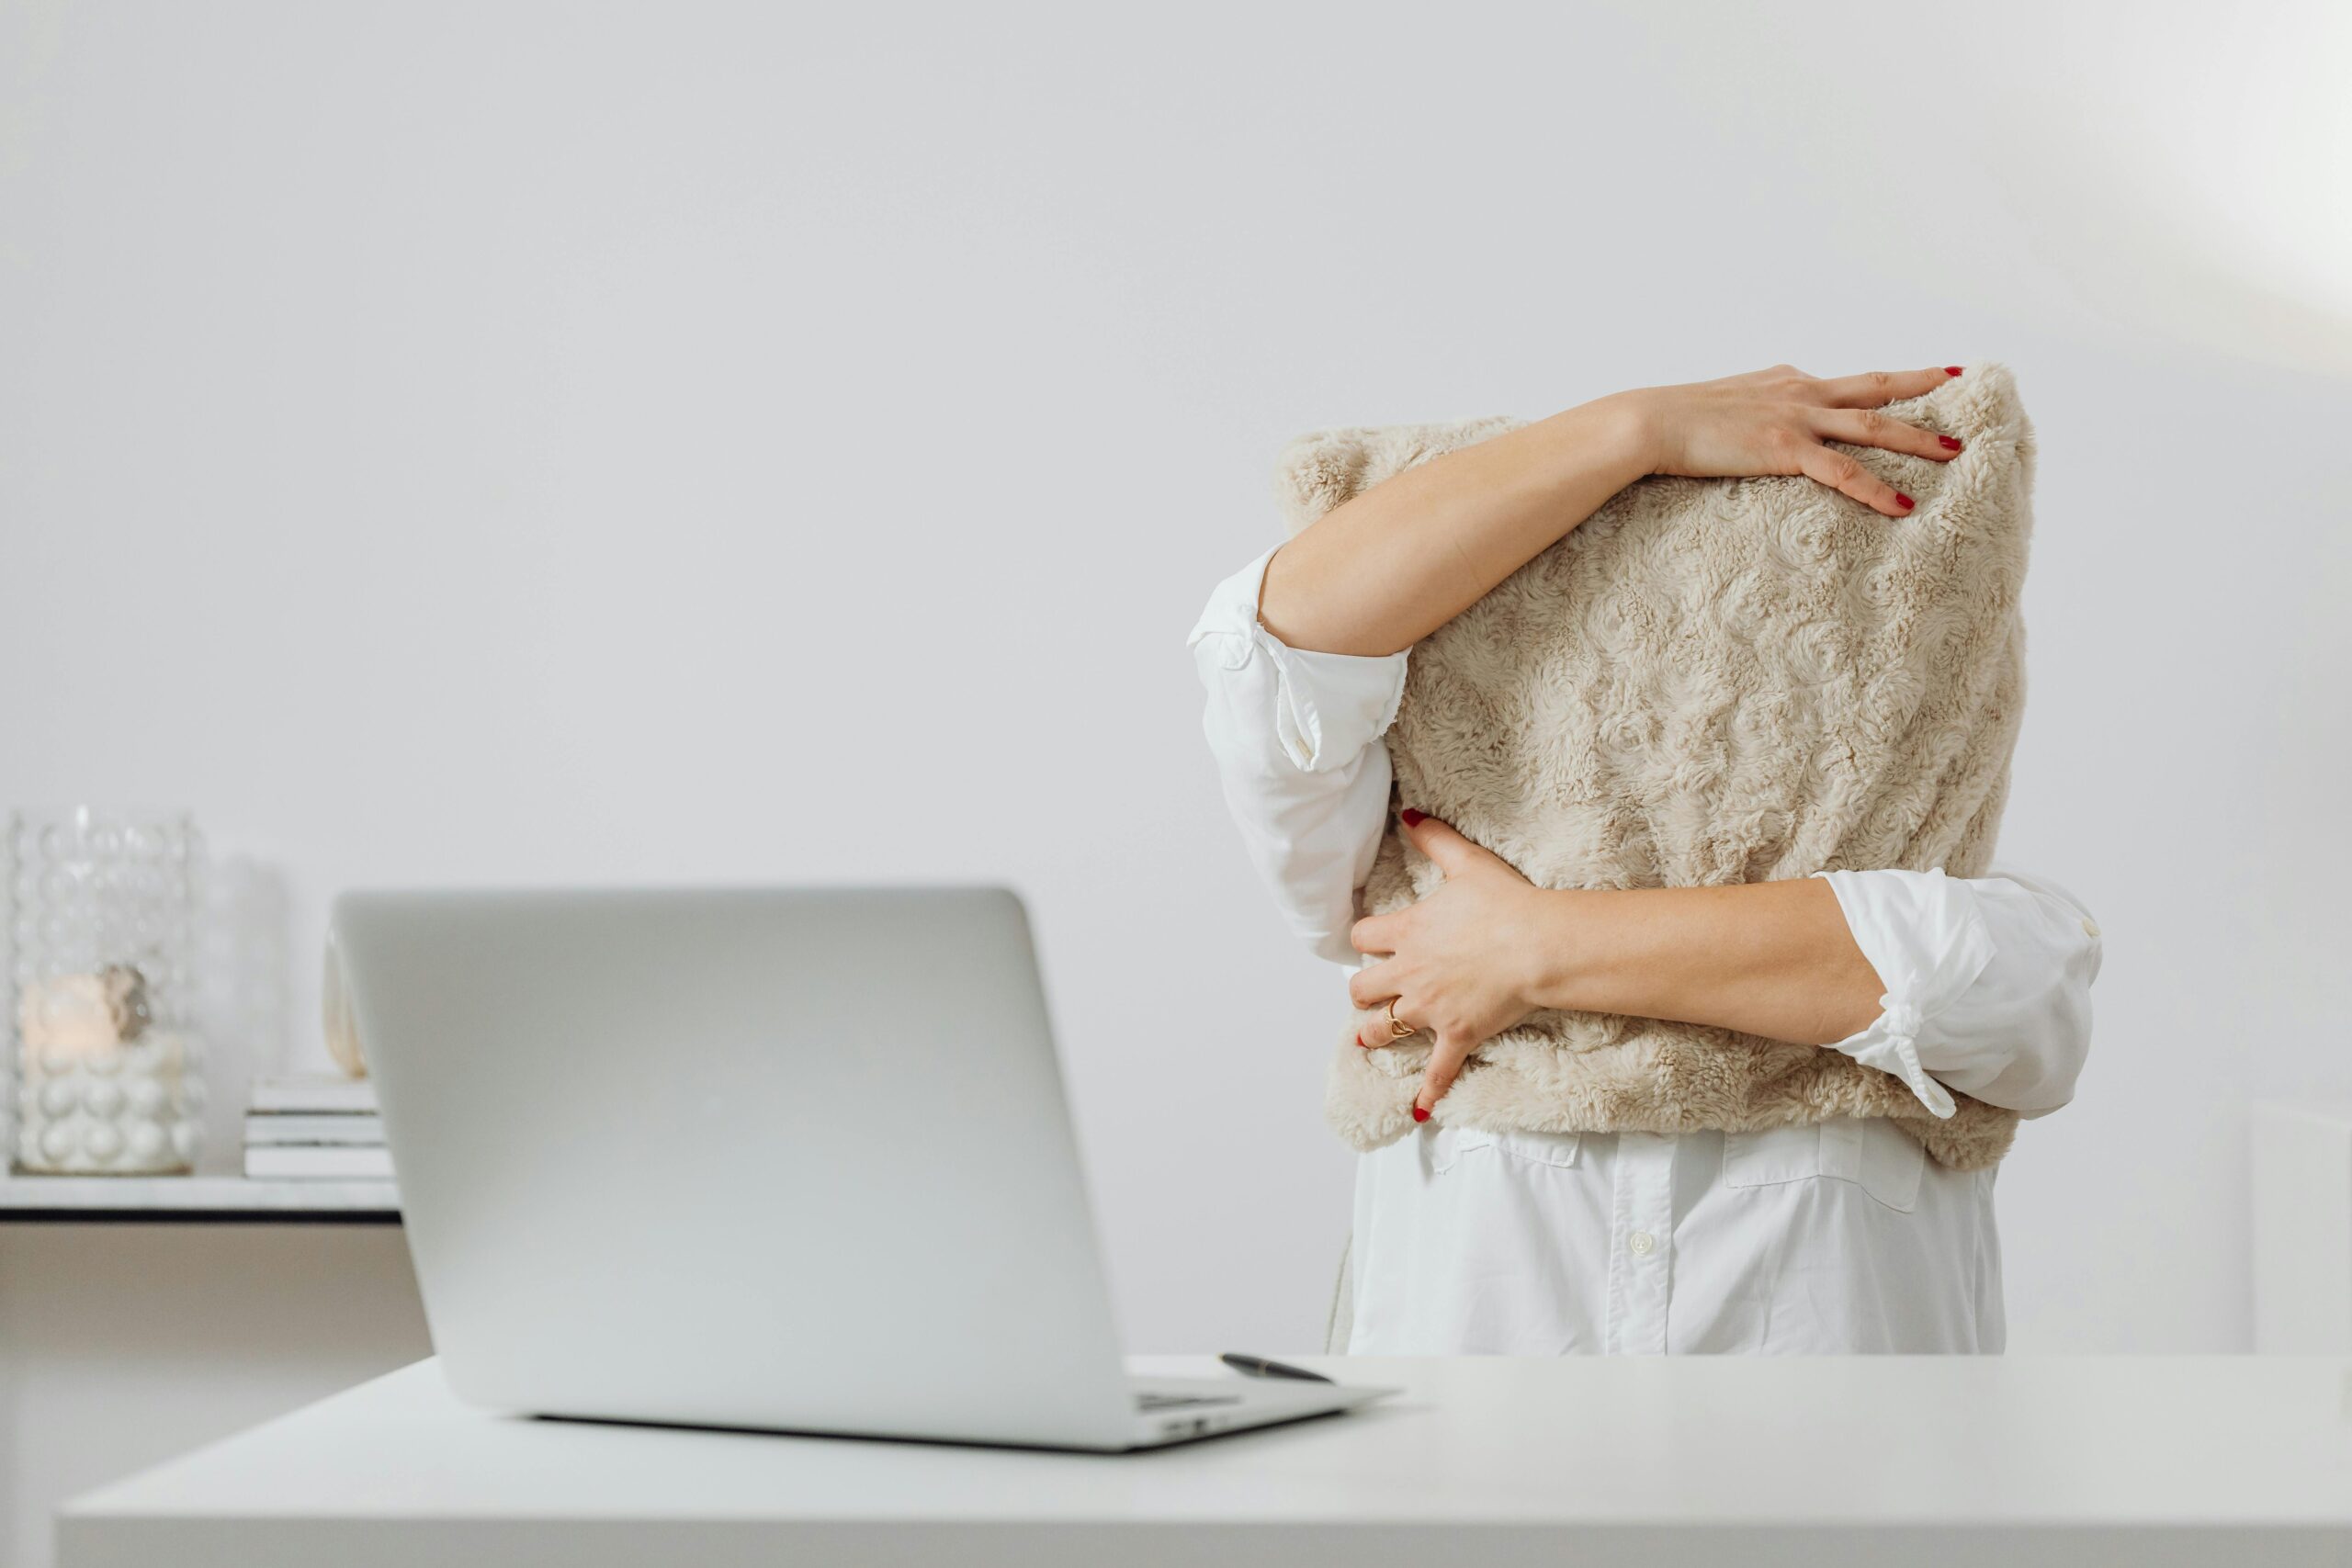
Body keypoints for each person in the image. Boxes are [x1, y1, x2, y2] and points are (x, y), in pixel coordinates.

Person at [1187, 364, 2100, 1355]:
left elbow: (1995, 989)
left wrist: (1531, 949)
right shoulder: (1377, 856)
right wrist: (1642, 430)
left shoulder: (2000, 943)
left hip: (1838, 1435)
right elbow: (1269, 656)